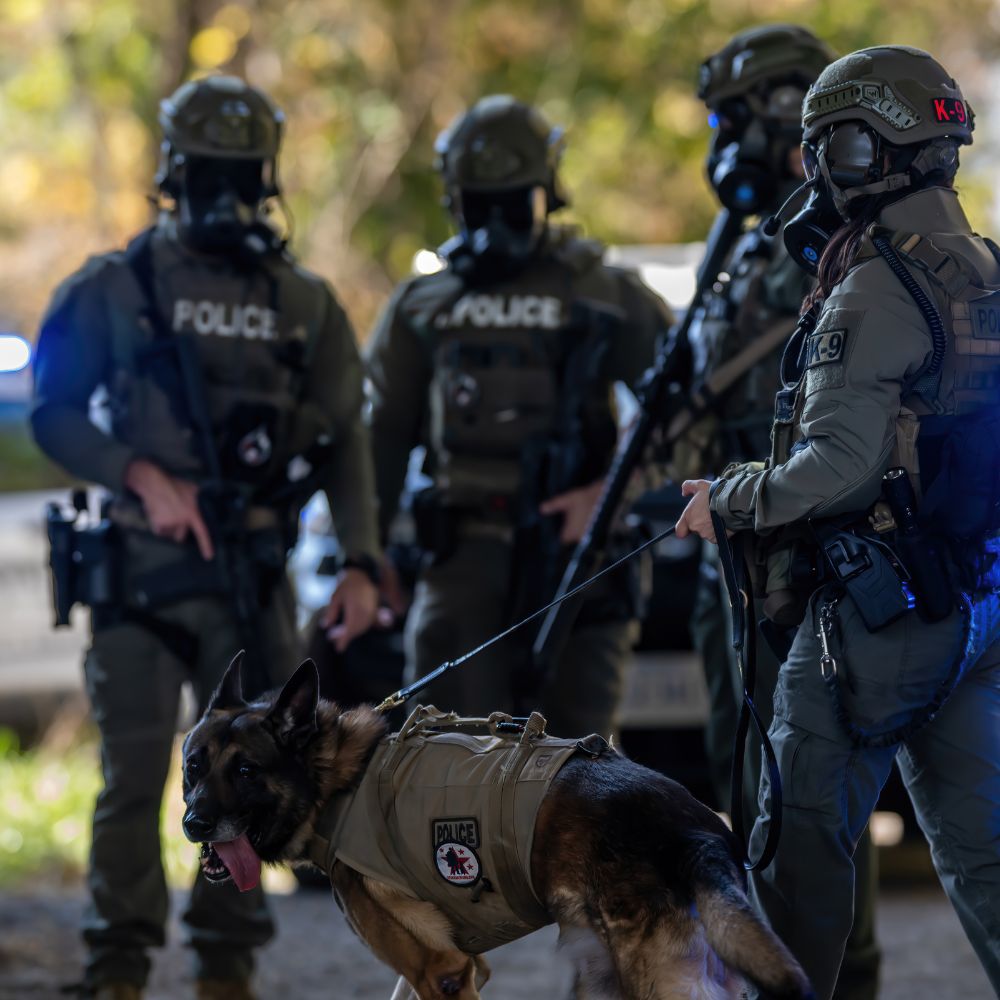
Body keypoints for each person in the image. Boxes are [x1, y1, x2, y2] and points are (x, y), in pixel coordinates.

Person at [31, 76, 380, 1000]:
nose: (224, 196)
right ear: (174, 175)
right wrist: (139, 474)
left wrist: (360, 560)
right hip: (138, 579)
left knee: (250, 782)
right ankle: (117, 965)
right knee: (132, 776)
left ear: (265, 179)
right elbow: (52, 411)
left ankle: (227, 964)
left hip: (250, 580)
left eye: (240, 176)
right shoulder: (113, 288)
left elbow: (346, 438)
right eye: (208, 175)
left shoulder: (303, 302)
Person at [677, 45, 1000, 999]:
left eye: (829, 147)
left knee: (794, 852)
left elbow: (837, 467)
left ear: (865, 151)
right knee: (985, 856)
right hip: (975, 610)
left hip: (878, 620)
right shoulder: (984, 268)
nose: (814, 169)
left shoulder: (874, 286)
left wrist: (729, 497)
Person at [366, 95, 670, 738]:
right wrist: (368, 558)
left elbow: (684, 413)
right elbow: (382, 437)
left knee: (575, 770)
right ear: (455, 201)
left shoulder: (604, 294)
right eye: (480, 205)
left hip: (576, 562)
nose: (495, 225)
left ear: (547, 192)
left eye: (513, 203)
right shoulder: (424, 305)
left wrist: (612, 497)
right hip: (460, 558)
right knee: (444, 756)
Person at [685, 25, 882, 1000]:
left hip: (806, 552)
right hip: (735, 552)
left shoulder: (846, 235)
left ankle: (841, 978)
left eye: (732, 120)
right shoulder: (742, 244)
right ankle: (772, 970)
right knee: (751, 783)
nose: (724, 146)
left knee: (813, 789)